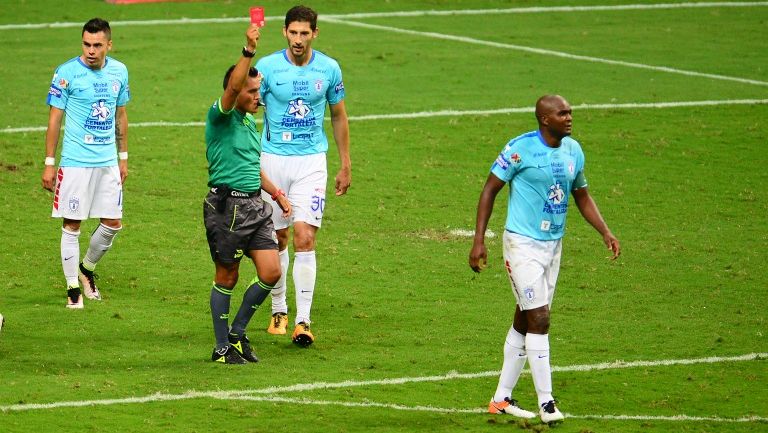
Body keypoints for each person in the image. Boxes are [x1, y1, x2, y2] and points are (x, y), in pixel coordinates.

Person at [469, 95, 621, 424]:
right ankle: (546, 402)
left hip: (553, 247)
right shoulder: (519, 149)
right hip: (522, 244)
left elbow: (581, 195)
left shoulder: (573, 151)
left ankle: (500, 399)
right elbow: (489, 189)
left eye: (569, 112)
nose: (569, 117)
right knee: (539, 318)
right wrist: (478, 240)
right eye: (562, 113)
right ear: (545, 120)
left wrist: (605, 232)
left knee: (526, 319)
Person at [256, 5, 351, 346]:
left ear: (315, 33)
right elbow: (248, 103)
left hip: (311, 161)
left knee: (305, 238)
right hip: (273, 162)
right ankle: (278, 308)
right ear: (285, 32)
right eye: (292, 33)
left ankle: (303, 320)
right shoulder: (266, 68)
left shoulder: (329, 68)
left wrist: (345, 163)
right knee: (277, 239)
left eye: (304, 33)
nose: (298, 39)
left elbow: (338, 115)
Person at [203, 24, 292, 364]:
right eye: (252, 91)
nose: (258, 97)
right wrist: (248, 50)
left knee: (271, 272)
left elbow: (253, 168)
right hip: (227, 207)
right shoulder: (221, 117)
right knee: (227, 276)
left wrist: (277, 193)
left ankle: (238, 333)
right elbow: (233, 87)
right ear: (236, 91)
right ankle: (222, 346)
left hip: (255, 206)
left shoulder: (247, 124)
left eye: (260, 91)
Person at [41, 18, 130, 309]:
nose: (91, 50)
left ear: (109, 45)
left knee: (113, 223)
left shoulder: (119, 71)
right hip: (76, 162)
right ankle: (72, 291)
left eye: (97, 45)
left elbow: (121, 116)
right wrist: (49, 163)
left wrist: (123, 157)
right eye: (86, 44)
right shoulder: (66, 73)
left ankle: (86, 269)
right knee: (73, 223)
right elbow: (55, 119)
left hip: (107, 162)